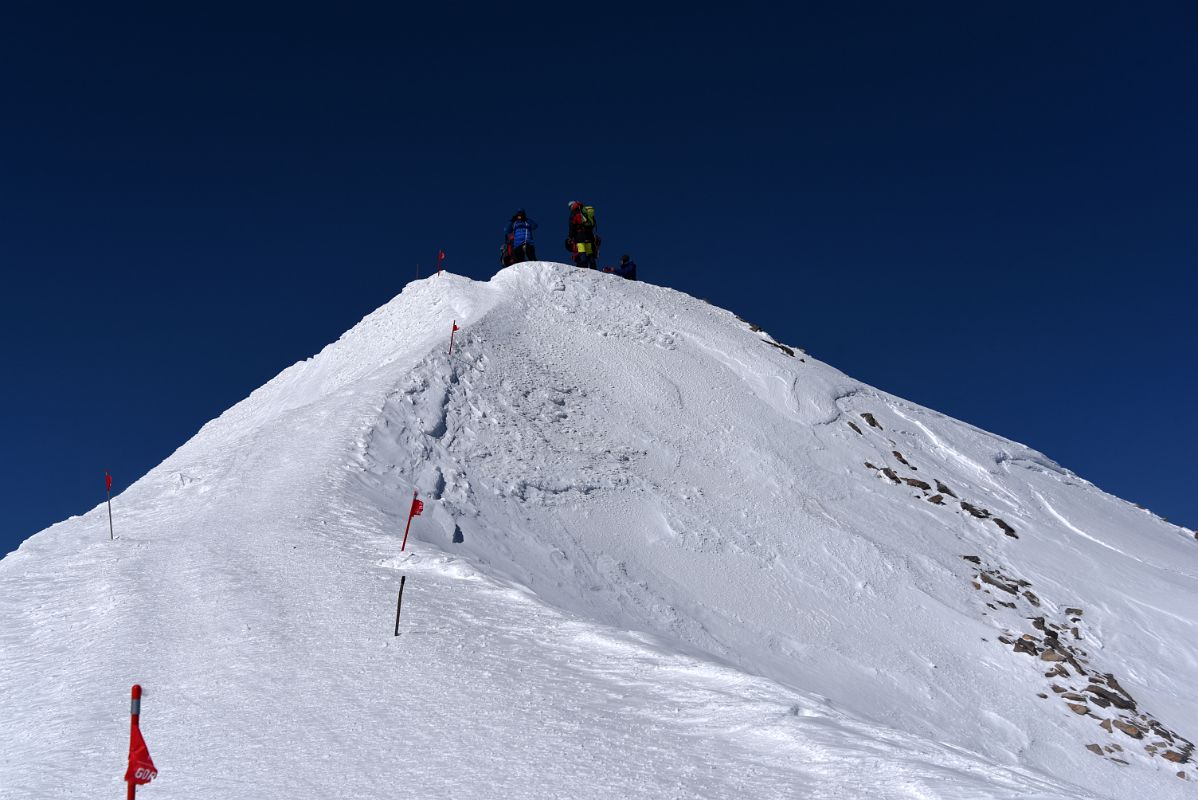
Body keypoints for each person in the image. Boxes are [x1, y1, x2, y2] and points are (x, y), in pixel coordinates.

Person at [564, 200, 600, 269]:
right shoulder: (584, 212)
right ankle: (593, 267)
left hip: (580, 236)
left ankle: (584, 267)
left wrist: (570, 237)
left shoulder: (574, 213)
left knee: (582, 250)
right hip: (589, 235)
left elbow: (572, 226)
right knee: (589, 251)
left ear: (572, 206)